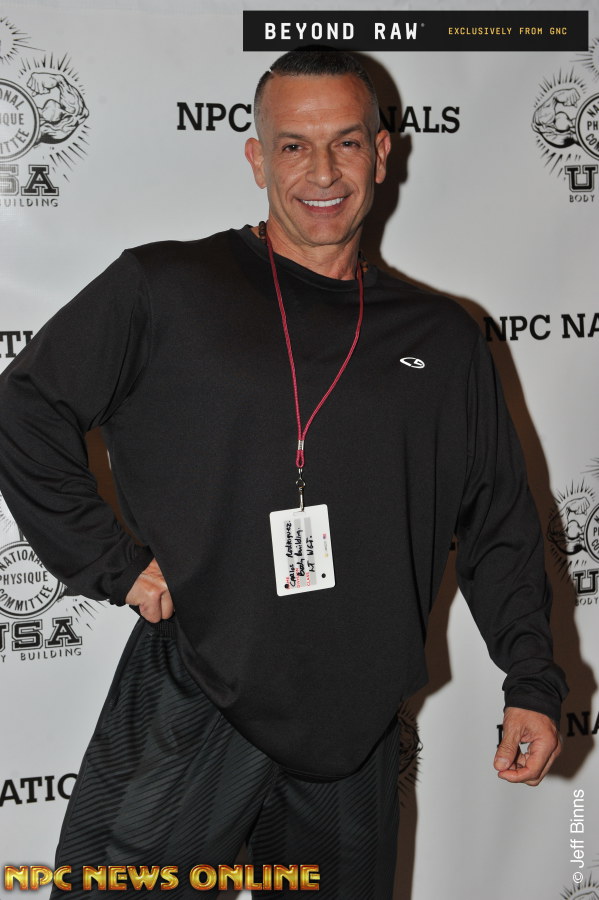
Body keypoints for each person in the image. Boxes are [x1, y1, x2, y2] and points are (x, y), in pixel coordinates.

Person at [0, 50, 567, 898]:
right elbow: (26, 406)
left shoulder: (441, 338)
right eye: (294, 146)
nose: (322, 172)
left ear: (382, 153)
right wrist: (110, 563)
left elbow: (498, 520)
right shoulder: (166, 286)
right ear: (257, 158)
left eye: (346, 142)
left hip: (354, 720)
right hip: (197, 684)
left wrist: (531, 680)